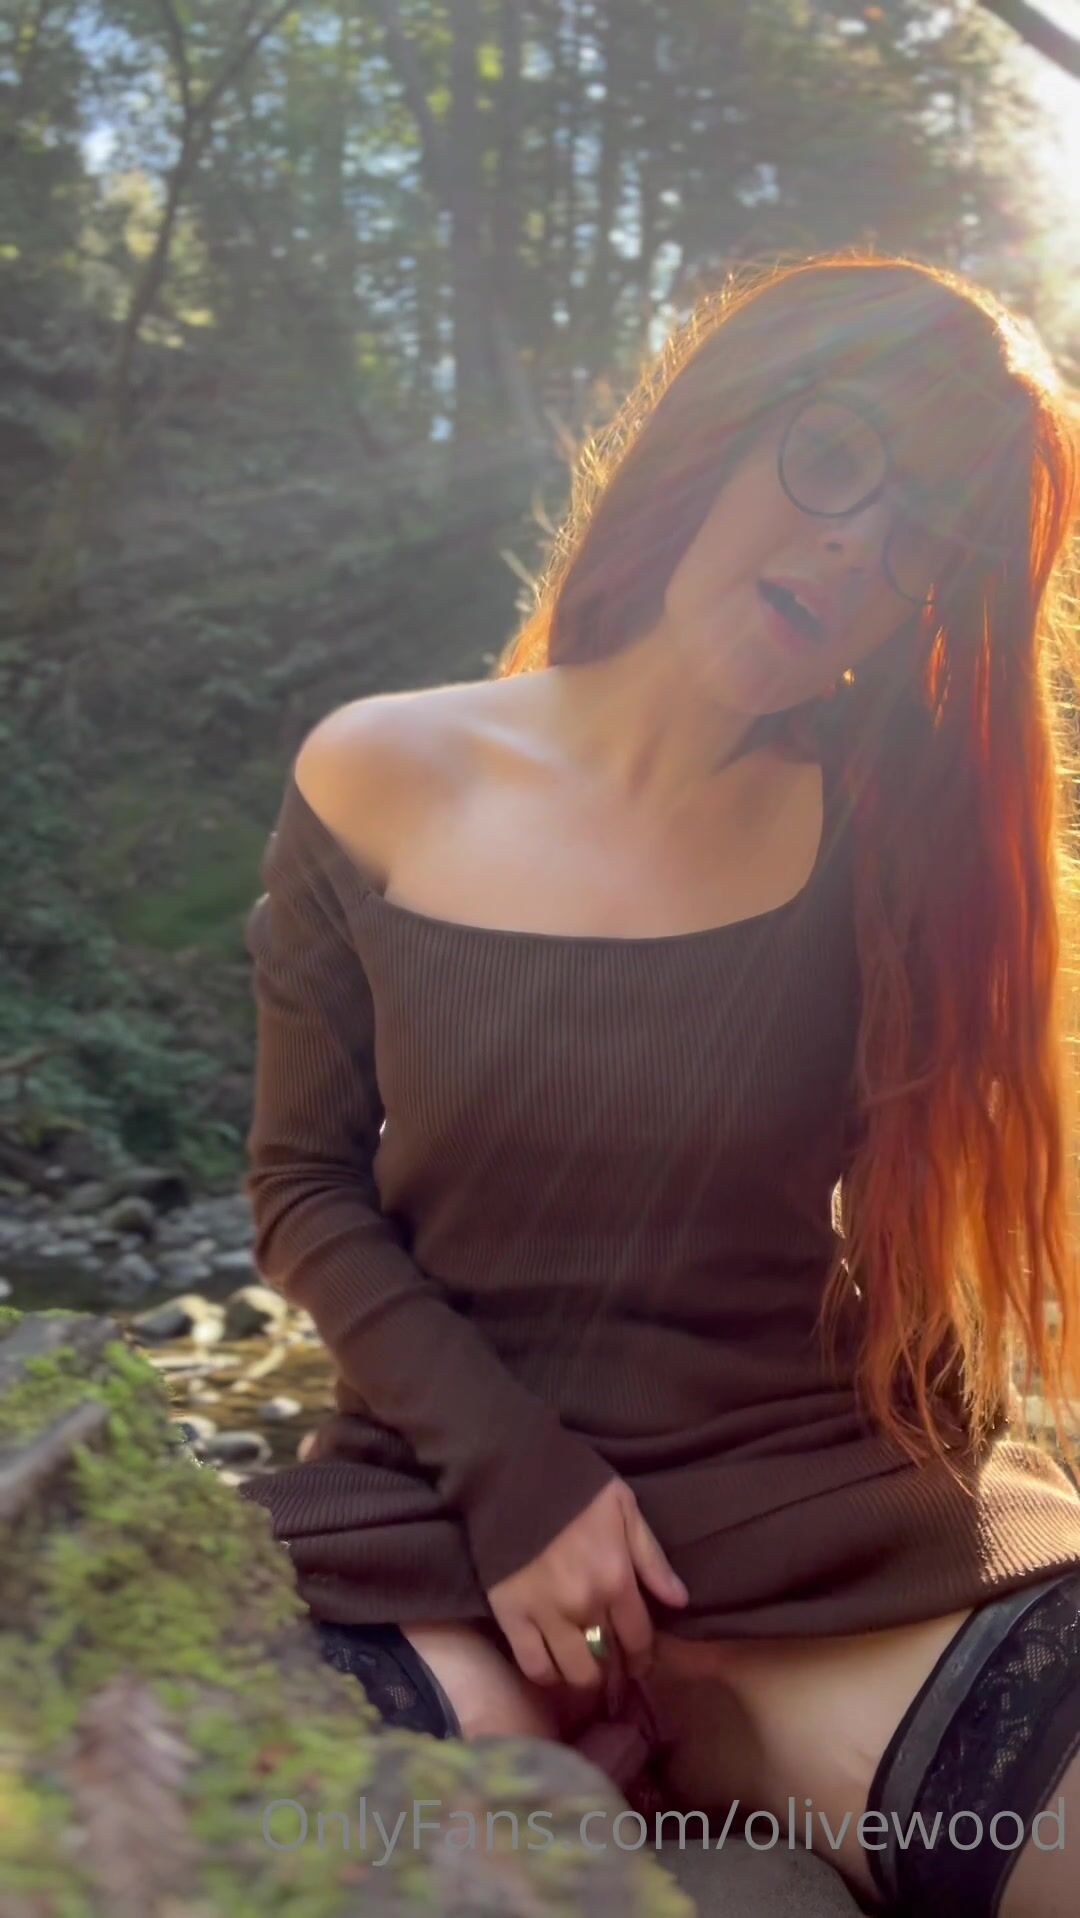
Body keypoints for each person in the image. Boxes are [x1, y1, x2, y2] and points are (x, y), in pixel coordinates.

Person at [238, 251, 1080, 1916]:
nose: (858, 548)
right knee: (336, 1857)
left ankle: (713, 1727)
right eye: (836, 457)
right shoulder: (376, 770)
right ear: (721, 425)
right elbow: (303, 1185)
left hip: (811, 1509)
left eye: (921, 536)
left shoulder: (894, 827)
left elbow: (958, 1202)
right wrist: (515, 1472)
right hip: (442, 1503)